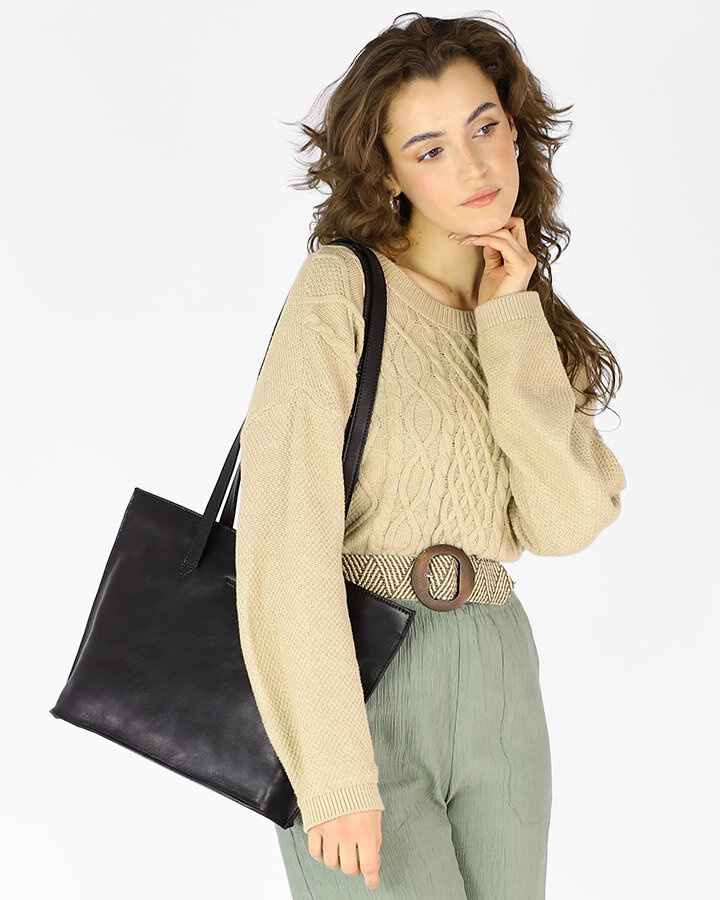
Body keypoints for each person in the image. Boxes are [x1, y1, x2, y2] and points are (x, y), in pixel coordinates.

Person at [234, 11, 626, 899]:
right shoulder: (343, 288)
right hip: (360, 678)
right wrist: (334, 777)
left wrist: (510, 318)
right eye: (431, 148)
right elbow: (284, 538)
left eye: (485, 128)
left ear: (515, 129)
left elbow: (565, 524)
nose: (474, 167)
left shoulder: (525, 316)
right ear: (388, 172)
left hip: (498, 673)